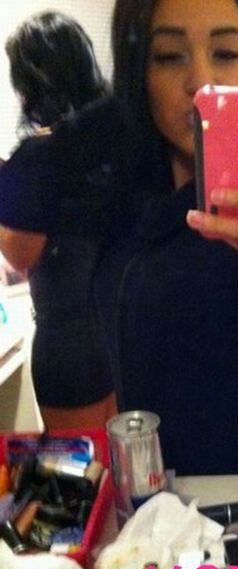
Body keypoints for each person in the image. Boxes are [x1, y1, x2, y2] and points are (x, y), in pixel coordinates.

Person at [2, 0, 238, 476]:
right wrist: (113, 116)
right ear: (139, 72)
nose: (201, 82)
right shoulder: (122, 203)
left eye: (225, 53)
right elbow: (19, 191)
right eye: (168, 57)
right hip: (147, 497)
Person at [0, 11, 118, 429]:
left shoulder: (37, 158)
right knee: (128, 454)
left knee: (85, 463)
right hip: (121, 336)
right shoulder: (116, 146)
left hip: (69, 347)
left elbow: (20, 254)